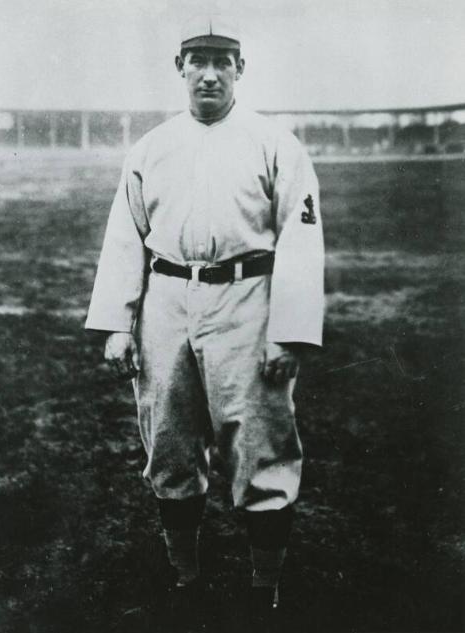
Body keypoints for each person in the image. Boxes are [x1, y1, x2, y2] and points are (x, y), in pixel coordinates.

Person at [85, 13, 324, 627]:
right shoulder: (152, 147)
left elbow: (301, 242)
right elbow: (125, 237)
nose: (210, 74)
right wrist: (117, 323)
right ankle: (185, 578)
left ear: (240, 70)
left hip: (248, 298)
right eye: (199, 61)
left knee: (259, 440)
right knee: (167, 437)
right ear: (181, 69)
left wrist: (288, 331)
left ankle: (264, 586)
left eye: (223, 62)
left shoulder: (275, 144)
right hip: (166, 296)